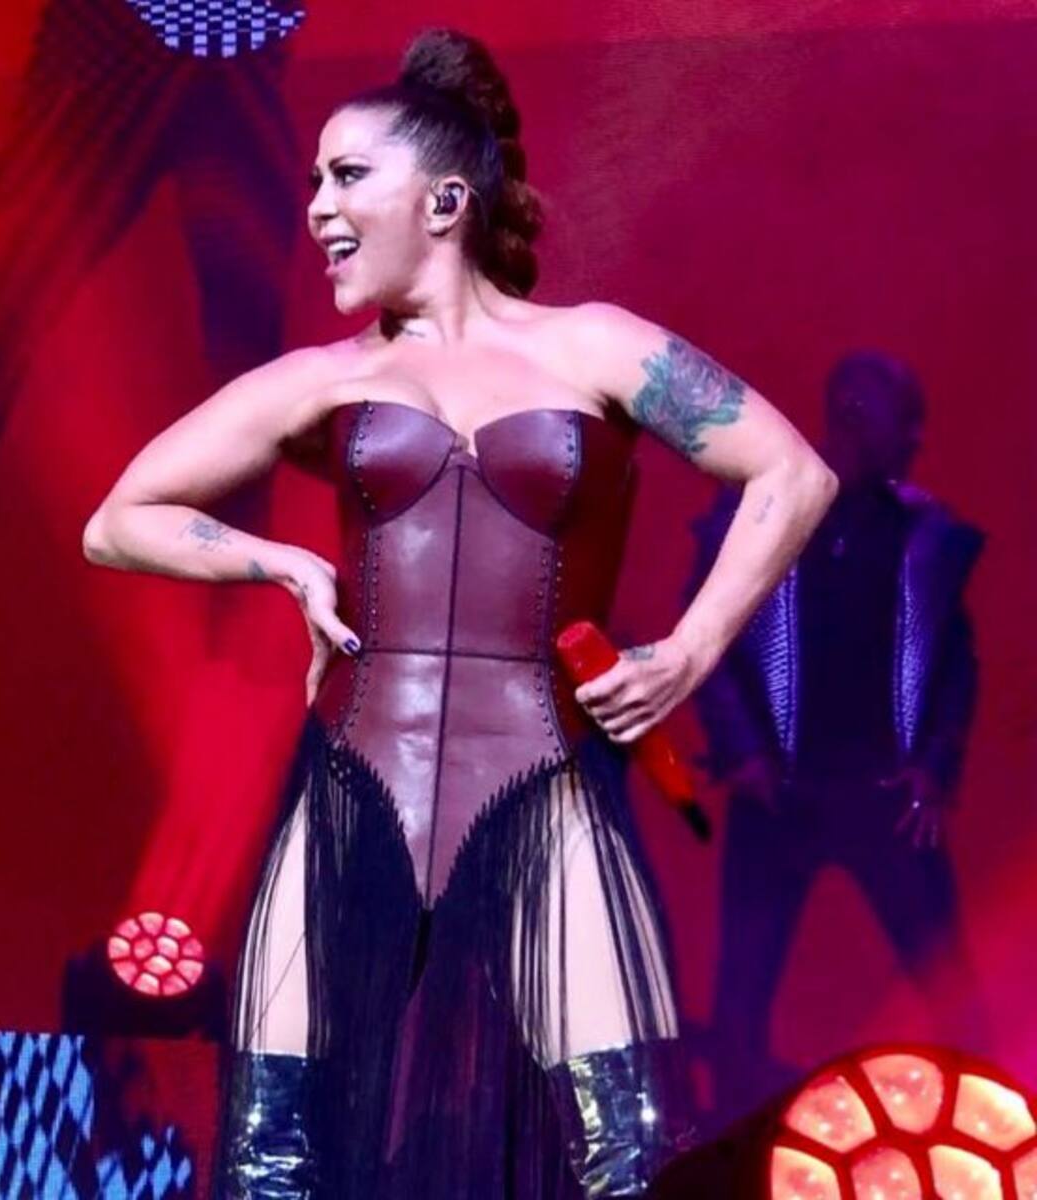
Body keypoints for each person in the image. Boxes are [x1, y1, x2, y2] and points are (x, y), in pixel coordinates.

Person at [82, 27, 836, 1200]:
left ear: (444, 201)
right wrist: (280, 562)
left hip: (544, 783)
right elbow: (118, 518)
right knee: (272, 1156)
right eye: (313, 179)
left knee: (626, 1154)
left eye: (347, 175)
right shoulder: (325, 377)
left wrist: (687, 654)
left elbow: (791, 474)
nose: (317, 206)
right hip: (349, 786)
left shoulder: (594, 345)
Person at [689, 350, 987, 1127]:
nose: (915, 441)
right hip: (780, 797)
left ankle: (990, 1137)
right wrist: (743, 752)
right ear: (854, 416)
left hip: (882, 794)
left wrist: (933, 769)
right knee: (743, 991)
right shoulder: (762, 513)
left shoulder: (921, 534)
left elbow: (957, 665)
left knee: (949, 982)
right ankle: (733, 1148)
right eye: (904, 423)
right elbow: (704, 643)